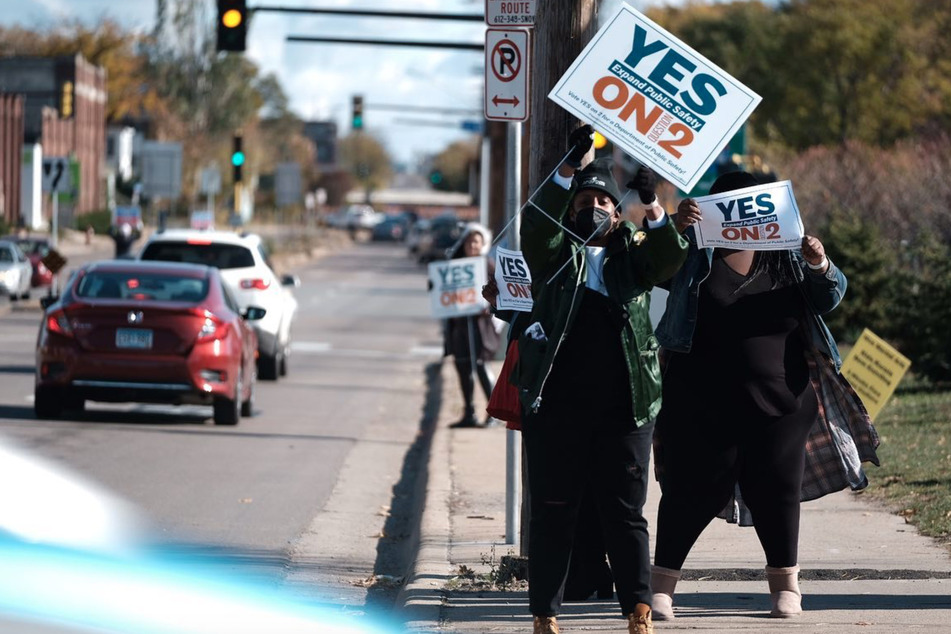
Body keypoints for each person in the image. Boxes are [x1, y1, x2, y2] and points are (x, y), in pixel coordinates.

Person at [650, 170, 880, 620]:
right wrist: (673, 230)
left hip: (782, 401)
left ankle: (785, 589)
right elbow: (651, 273)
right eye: (726, 203)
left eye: (749, 202)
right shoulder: (694, 253)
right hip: (699, 400)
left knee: (777, 490)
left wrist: (819, 263)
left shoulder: (786, 253)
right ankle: (661, 588)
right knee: (690, 488)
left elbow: (829, 296)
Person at [514, 124, 688, 634]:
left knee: (625, 514)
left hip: (624, 411)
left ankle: (638, 610)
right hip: (558, 410)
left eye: (603, 201)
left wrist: (654, 205)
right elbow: (534, 228)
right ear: (572, 208)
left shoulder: (630, 258)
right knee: (553, 510)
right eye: (584, 200)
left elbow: (668, 259)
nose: (593, 208)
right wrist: (568, 167)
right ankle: (545, 612)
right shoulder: (554, 257)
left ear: (617, 212)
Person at [443, 222, 502, 428]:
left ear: (482, 244)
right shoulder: (455, 265)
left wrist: (487, 305)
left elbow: (498, 291)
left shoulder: (488, 265)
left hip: (480, 326)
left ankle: (494, 413)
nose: (472, 246)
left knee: (480, 365)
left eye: (476, 242)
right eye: (469, 241)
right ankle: (469, 413)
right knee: (462, 366)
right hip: (459, 326)